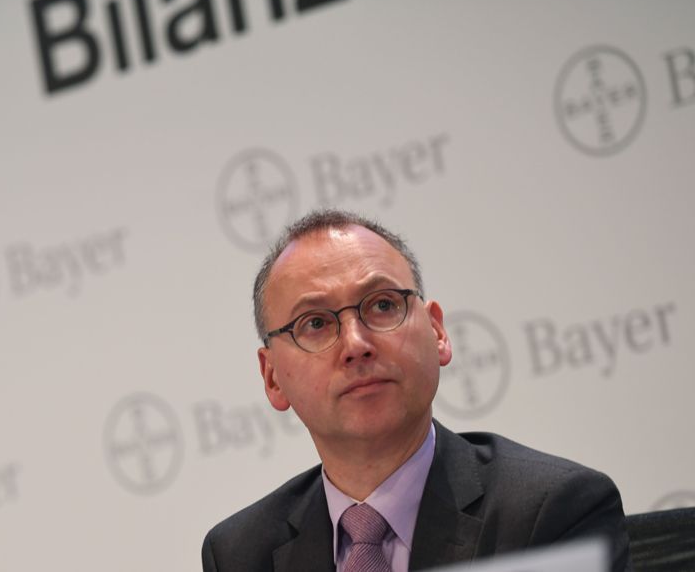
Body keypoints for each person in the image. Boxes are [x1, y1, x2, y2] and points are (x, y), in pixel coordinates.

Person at [201, 209, 632, 572]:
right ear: (272, 377)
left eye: (382, 305)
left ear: (437, 332)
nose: (356, 344)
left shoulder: (553, 512)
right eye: (315, 323)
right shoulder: (240, 555)